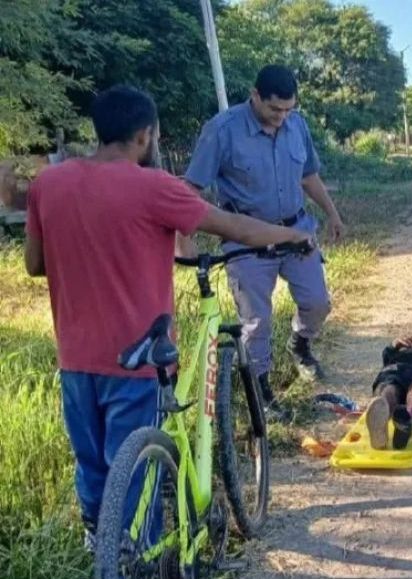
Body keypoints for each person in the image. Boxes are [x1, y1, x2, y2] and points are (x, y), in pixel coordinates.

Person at [24, 85, 310, 550]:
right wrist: (291, 235)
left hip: (74, 357)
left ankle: (100, 548)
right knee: (136, 472)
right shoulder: (154, 186)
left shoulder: (47, 184)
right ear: (145, 135)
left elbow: (35, 266)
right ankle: (138, 555)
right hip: (139, 358)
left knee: (92, 464)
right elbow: (230, 225)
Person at [185, 64, 345, 404]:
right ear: (255, 96)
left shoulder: (296, 125)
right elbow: (191, 189)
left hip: (297, 231)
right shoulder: (221, 130)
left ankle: (300, 344)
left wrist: (332, 213)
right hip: (247, 238)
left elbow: (308, 176)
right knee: (256, 322)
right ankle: (262, 393)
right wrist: (186, 238)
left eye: (289, 109)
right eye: (275, 109)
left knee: (317, 302)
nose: (281, 117)